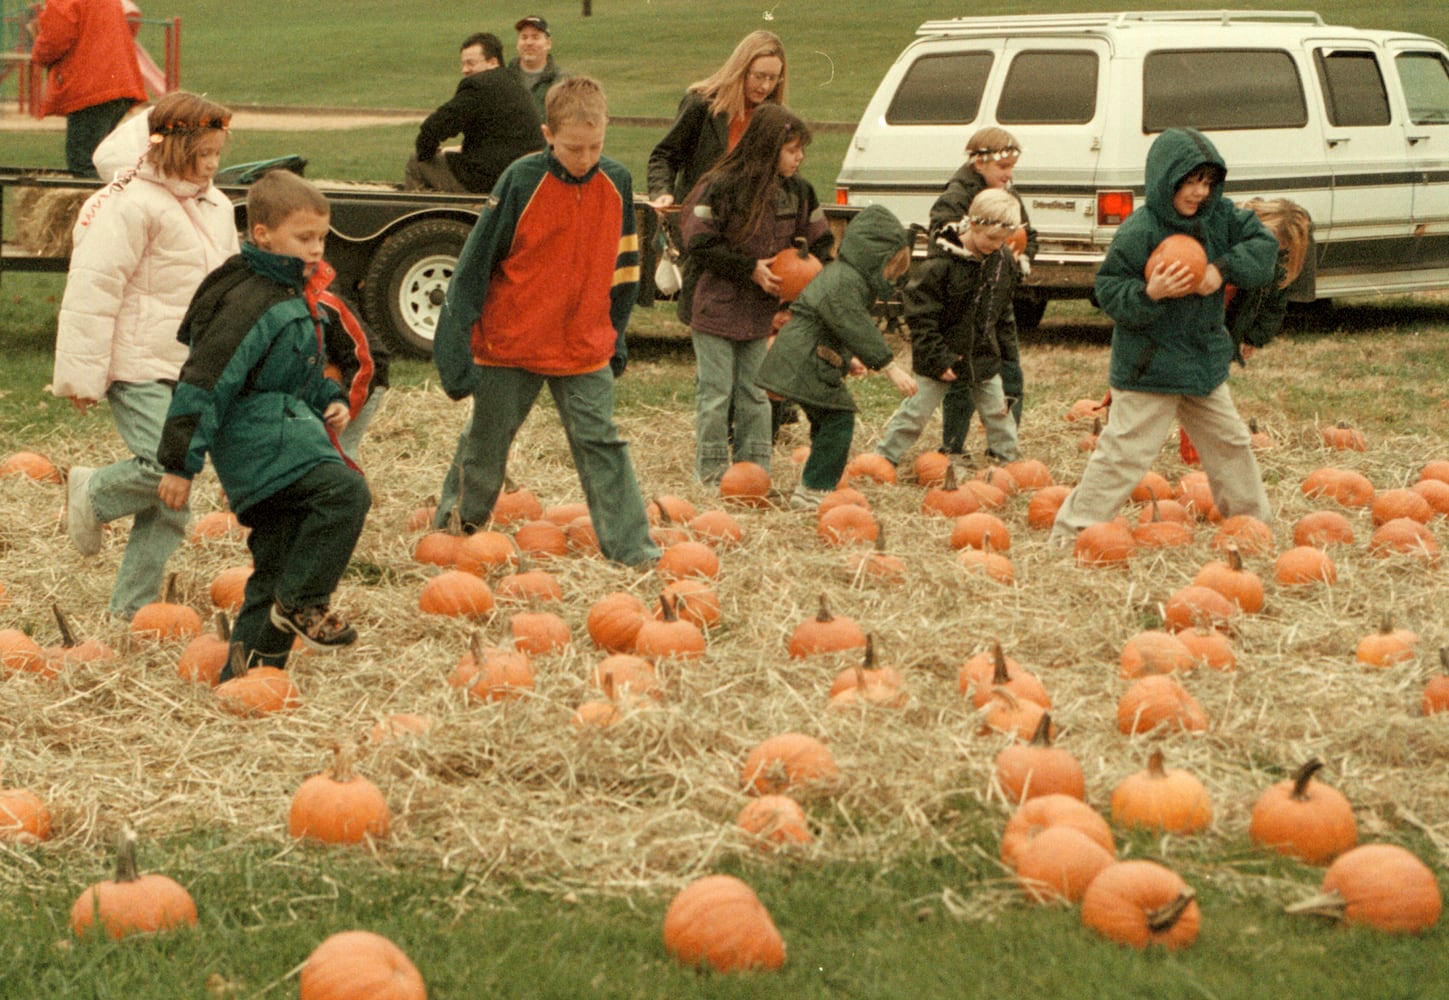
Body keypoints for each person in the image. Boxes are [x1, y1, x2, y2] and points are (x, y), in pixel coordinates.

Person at [431, 76, 659, 569]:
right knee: (485, 445)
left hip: (583, 346)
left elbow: (624, 270)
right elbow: (474, 267)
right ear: (547, 134)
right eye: (573, 148)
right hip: (512, 344)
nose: (585, 158)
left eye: (595, 146)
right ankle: (456, 530)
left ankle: (633, 552)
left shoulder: (616, 182)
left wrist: (615, 335)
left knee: (603, 444)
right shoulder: (520, 181)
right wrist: (454, 346)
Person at [157, 170, 372, 671]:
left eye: (321, 237)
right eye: (304, 238)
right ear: (262, 234)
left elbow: (296, 370)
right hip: (258, 443)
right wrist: (179, 463)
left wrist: (331, 395)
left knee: (276, 560)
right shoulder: (250, 299)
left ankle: (249, 676)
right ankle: (302, 605)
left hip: (283, 431)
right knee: (344, 493)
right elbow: (205, 381)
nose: (317, 249)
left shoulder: (294, 295)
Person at [53, 91, 238, 622]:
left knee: (171, 498)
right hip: (136, 363)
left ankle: (129, 612)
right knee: (166, 465)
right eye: (203, 154)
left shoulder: (217, 206)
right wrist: (82, 378)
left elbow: (224, 289)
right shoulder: (128, 204)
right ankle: (93, 492)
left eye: (217, 154)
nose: (212, 165)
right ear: (173, 146)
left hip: (191, 367)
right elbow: (94, 290)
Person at [1049, 127, 1279, 545]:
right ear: (1165, 180)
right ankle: (1071, 535)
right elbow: (1108, 289)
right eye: (1190, 182)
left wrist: (1221, 268)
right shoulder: (1141, 229)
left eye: (1207, 183)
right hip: (1149, 366)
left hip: (1202, 363)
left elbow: (1265, 248)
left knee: (1231, 445)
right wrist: (1148, 293)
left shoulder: (1222, 218)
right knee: (1123, 456)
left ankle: (1252, 527)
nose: (1199, 192)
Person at [680, 103, 833, 485]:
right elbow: (698, 241)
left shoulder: (799, 193)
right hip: (717, 305)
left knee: (755, 393)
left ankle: (754, 472)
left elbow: (822, 240)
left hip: (763, 313)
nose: (800, 158)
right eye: (792, 150)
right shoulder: (721, 186)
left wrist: (810, 271)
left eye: (802, 151)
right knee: (715, 393)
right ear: (769, 147)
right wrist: (748, 268)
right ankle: (712, 474)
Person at [756, 204, 917, 510]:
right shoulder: (845, 280)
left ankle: (812, 485)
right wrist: (889, 366)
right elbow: (853, 324)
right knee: (839, 418)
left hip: (808, 355)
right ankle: (815, 488)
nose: (890, 277)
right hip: (805, 358)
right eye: (890, 268)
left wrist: (847, 359)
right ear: (874, 257)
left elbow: (834, 324)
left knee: (827, 420)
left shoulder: (847, 277)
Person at [873, 188, 1024, 469]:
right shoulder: (939, 265)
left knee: (998, 415)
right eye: (992, 238)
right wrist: (938, 357)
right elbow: (921, 318)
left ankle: (1012, 464)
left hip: (982, 356)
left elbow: (1002, 313)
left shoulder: (1001, 262)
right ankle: (882, 459)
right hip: (940, 356)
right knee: (916, 412)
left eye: (1003, 240)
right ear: (974, 224)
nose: (996, 245)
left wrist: (1007, 356)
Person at [1176, 196, 1313, 464]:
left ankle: (1196, 456)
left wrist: (1254, 336)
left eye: (1277, 247)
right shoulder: (1217, 240)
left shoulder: (1271, 267)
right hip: (1189, 315)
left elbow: (1274, 302)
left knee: (1201, 387)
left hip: (1220, 330)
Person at [927, 127, 1036, 460]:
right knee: (963, 374)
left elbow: (1026, 234)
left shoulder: (1008, 196)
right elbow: (941, 237)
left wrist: (1022, 257)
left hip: (999, 298)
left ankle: (1004, 449)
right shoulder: (956, 196)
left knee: (1009, 369)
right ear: (979, 164)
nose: (1008, 174)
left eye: (1012, 167)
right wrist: (973, 241)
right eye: (1003, 168)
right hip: (965, 302)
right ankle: (953, 447)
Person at [404, 32, 543, 194]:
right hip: (526, 175)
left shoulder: (478, 86)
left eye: (471, 63)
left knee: (416, 163)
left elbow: (433, 127)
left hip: (490, 180)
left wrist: (426, 153)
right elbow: (500, 137)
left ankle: (433, 218)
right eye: (463, 64)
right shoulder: (514, 82)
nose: (465, 70)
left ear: (492, 62)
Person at [30, 0, 149, 177]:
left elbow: (54, 41)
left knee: (84, 164)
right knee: (101, 159)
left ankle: (97, 203)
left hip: (92, 88)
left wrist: (38, 54)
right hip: (118, 84)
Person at [506, 15, 567, 122]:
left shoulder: (563, 81)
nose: (529, 43)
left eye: (535, 37)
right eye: (524, 37)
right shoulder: (503, 79)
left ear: (548, 43)